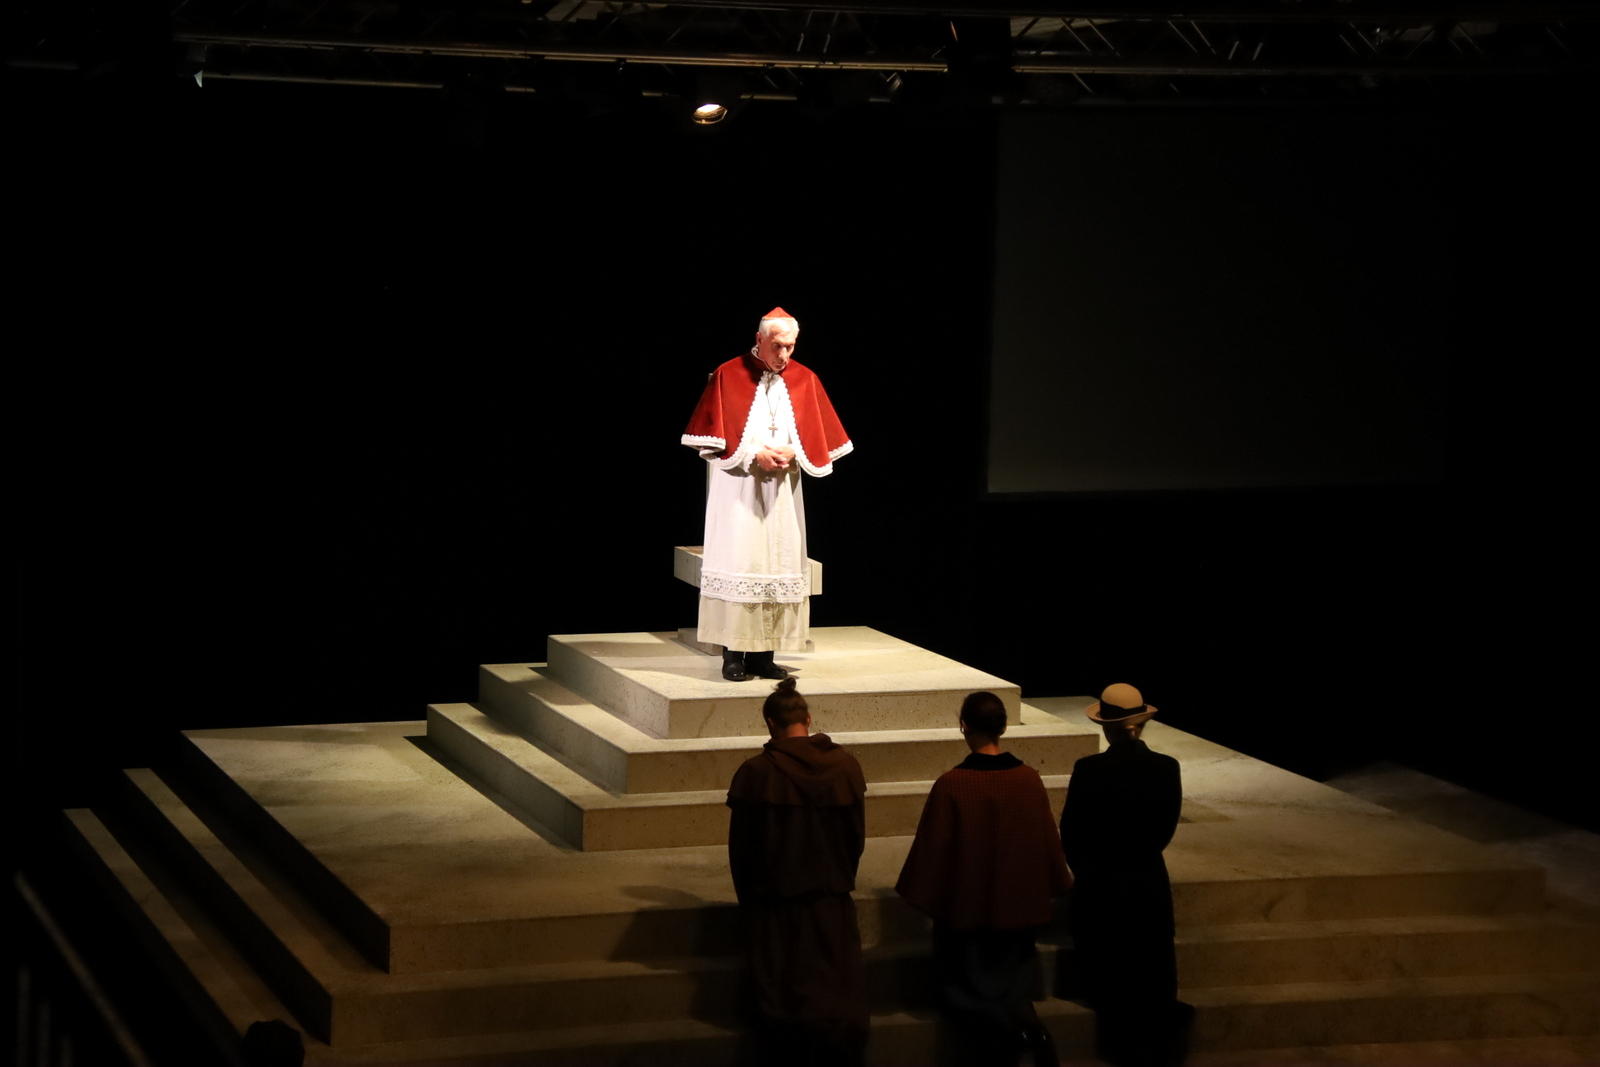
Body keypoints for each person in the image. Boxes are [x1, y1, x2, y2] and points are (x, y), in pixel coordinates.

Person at [895, 691, 1073, 1067]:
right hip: (1017, 915)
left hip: (968, 918)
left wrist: (926, 894)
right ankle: (1024, 1025)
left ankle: (1001, 1031)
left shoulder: (952, 784)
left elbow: (932, 854)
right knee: (1012, 982)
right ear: (1003, 727)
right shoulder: (1028, 779)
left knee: (966, 988)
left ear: (963, 726)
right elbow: (1047, 843)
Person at [682, 308, 852, 682]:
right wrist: (752, 453)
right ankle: (732, 655)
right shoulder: (728, 374)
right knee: (741, 561)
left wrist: (795, 450)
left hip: (782, 493)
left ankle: (764, 655)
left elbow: (818, 437)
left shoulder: (805, 379)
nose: (784, 355)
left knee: (777, 563)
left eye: (790, 346)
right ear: (759, 340)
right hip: (739, 488)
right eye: (777, 346)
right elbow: (709, 439)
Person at [726, 677, 869, 1066]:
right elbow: (855, 837)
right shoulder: (845, 767)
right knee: (835, 1004)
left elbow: (742, 852)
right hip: (831, 908)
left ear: (770, 723)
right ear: (807, 719)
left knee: (784, 1011)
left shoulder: (757, 774)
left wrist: (751, 904)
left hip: (778, 911)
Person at [1058, 683, 1192, 1067]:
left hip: (1101, 889)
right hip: (1148, 884)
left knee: (1113, 984)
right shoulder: (1166, 767)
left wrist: (1090, 873)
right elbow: (1164, 831)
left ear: (1106, 726)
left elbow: (1071, 833)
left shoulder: (1089, 770)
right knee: (1152, 975)